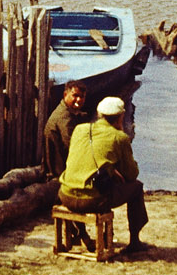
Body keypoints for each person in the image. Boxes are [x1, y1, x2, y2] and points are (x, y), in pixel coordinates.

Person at [58, 96, 149, 255]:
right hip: (94, 201)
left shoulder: (80, 129)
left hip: (65, 195)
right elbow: (131, 174)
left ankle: (83, 234)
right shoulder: (119, 137)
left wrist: (110, 168)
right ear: (120, 117)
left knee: (89, 182)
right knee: (136, 187)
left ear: (99, 114)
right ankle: (135, 241)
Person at [43, 81, 89, 177]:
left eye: (82, 97)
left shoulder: (66, 110)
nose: (79, 100)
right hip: (59, 171)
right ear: (65, 95)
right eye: (75, 95)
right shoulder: (64, 117)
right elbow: (72, 146)